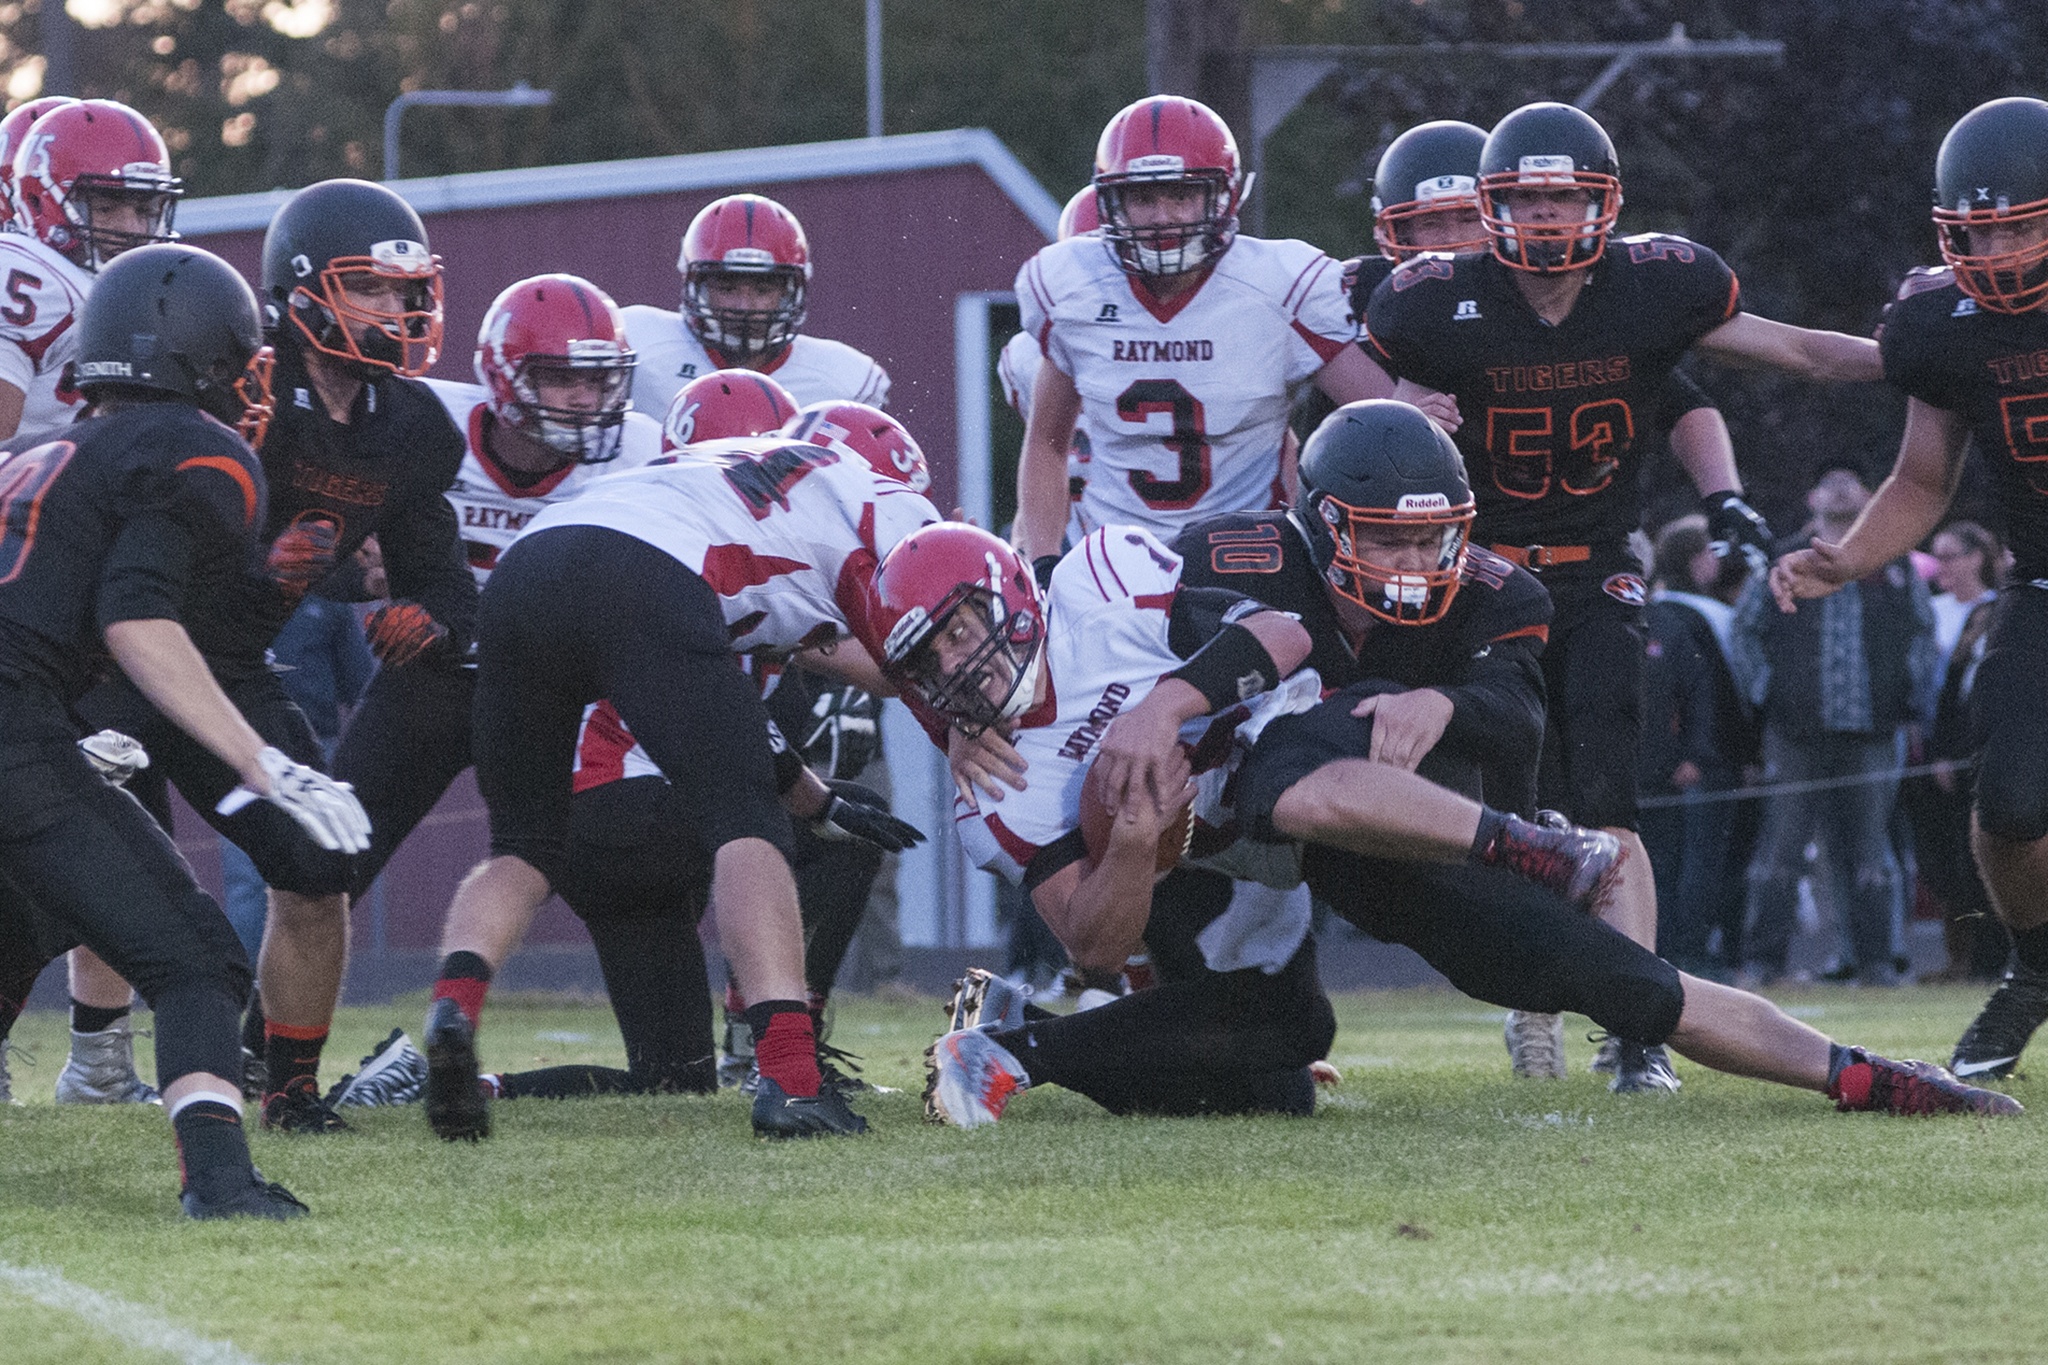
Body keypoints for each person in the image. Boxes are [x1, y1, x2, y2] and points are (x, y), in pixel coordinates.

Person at [901, 403, 2019, 1127]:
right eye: (931, 657)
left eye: (969, 628)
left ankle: (1859, 1072)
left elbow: (1288, 644)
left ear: (1017, 596)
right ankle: (1004, 1052)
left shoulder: (1100, 580)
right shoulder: (994, 779)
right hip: (1217, 856)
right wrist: (1136, 844)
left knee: (1598, 975)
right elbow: (1094, 937)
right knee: (1273, 1054)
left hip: (1329, 805)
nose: (964, 665)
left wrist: (1166, 705)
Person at [1364, 100, 1881, 1091]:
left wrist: (1917, 358)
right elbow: (1368, 435)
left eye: (1566, 200)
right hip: (1480, 575)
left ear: (1604, 205)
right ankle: (1533, 1011)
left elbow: (1799, 353)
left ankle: (1636, 1031)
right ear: (1494, 206)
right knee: (1514, 809)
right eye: (1528, 201)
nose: (1549, 222)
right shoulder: (1428, 307)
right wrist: (1392, 406)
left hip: (1598, 562)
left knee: (1607, 799)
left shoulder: (1649, 290)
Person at [421, 419, 941, 1141]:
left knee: (522, 845)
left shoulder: (703, 479)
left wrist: (819, 802)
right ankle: (790, 1077)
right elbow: (891, 660)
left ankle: (453, 1009)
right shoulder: (868, 509)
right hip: (642, 597)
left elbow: (733, 722)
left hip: (526, 566)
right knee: (746, 822)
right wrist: (957, 730)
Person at [0, 243, 370, 1217]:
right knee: (197, 958)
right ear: (206, 358)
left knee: (19, 926)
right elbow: (137, 617)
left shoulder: (50, 449)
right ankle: (218, 1179)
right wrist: (263, 766)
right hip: (17, 726)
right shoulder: (199, 452)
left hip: (33, 714)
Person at [1772, 96, 2048, 1077]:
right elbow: (1922, 479)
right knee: (2009, 809)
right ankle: (2030, 968)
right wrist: (1845, 556)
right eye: (1980, 228)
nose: (2000, 247)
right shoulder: (1942, 320)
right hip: (2041, 585)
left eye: (2021, 223)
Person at [1012, 94, 1397, 574]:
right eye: (1143, 198)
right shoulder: (1074, 289)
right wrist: (1047, 563)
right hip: (1115, 567)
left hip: (1255, 559)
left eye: (1181, 194)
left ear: (1222, 196)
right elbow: (1047, 444)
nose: (1162, 217)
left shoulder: (1276, 286)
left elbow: (1384, 419)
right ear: (1111, 202)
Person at [1732, 463, 1934, 986]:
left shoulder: (1893, 562)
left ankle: (1877, 963)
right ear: (1812, 494)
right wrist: (1769, 693)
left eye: (1851, 478)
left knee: (1871, 850)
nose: (1842, 485)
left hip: (1873, 730)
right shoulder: (1780, 559)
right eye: (1831, 479)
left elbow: (1921, 635)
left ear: (1869, 494)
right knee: (1783, 847)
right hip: (1793, 731)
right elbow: (1745, 633)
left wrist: (1907, 700)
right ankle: (1762, 961)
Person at [622, 192, 888, 419]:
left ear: (789, 292)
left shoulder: (842, 380)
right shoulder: (641, 344)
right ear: (695, 285)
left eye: (763, 290)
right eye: (727, 288)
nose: (744, 306)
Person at [1638, 515, 1757, 976]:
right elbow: (1720, 693)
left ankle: (1678, 948)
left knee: (1681, 860)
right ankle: (1684, 950)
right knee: (1691, 861)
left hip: (1685, 763)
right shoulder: (1690, 617)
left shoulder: (1675, 616)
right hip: (1694, 767)